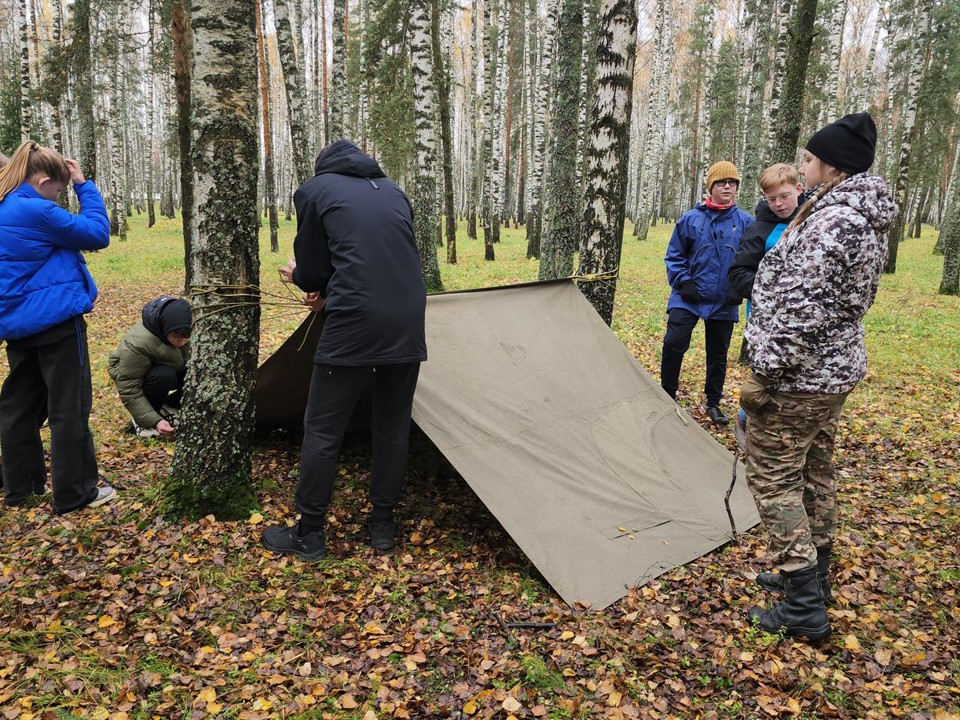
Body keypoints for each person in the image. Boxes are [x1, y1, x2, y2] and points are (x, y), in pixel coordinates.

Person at [740, 112, 895, 641]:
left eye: (808, 158)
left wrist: (764, 371)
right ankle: (812, 578)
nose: (801, 166)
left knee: (772, 475)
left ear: (831, 165)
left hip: (799, 377)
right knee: (814, 470)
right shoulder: (854, 215)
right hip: (830, 371)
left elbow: (800, 309)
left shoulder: (835, 221)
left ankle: (803, 603)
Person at [261, 139, 427, 560]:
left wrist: (304, 278)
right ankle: (382, 527)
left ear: (324, 168)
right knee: (391, 426)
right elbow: (380, 259)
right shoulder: (393, 189)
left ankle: (310, 533)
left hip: (354, 323)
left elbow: (315, 268)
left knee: (322, 428)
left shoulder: (314, 191)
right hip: (408, 318)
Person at [0, 140, 114, 513]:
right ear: (44, 180)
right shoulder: (36, 210)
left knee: (20, 406)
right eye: (58, 189)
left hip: (17, 325)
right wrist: (84, 185)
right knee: (68, 407)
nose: (57, 197)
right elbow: (97, 234)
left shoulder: (5, 205)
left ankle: (22, 488)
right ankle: (76, 493)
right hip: (56, 323)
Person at [661, 161, 753, 425]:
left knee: (717, 353)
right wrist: (684, 282)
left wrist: (740, 288)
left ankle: (713, 403)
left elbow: (751, 259)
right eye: (722, 182)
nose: (727, 186)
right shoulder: (690, 219)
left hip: (725, 299)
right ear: (710, 186)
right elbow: (674, 256)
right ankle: (667, 394)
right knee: (674, 342)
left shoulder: (746, 222)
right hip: (688, 295)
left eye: (732, 182)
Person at [728, 163, 805, 449]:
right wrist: (775, 294)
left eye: (784, 196)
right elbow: (738, 274)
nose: (778, 204)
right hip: (766, 325)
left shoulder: (817, 221)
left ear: (799, 188)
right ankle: (747, 421)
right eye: (771, 199)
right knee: (765, 377)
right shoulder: (759, 227)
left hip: (805, 323)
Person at [108, 296, 191, 438]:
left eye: (186, 337)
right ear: (165, 330)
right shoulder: (138, 344)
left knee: (196, 371)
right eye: (177, 337)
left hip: (171, 367)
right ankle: (142, 422)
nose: (182, 342)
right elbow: (129, 388)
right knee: (163, 375)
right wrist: (155, 422)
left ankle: (167, 407)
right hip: (140, 377)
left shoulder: (191, 327)